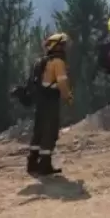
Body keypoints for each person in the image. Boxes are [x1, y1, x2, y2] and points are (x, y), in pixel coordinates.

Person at [27, 32, 74, 176]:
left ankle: (32, 163)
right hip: (50, 100)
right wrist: (68, 97)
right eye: (63, 45)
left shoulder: (41, 61)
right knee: (50, 132)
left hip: (40, 100)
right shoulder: (58, 62)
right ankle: (45, 165)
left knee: (39, 131)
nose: (64, 48)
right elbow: (62, 82)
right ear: (57, 46)